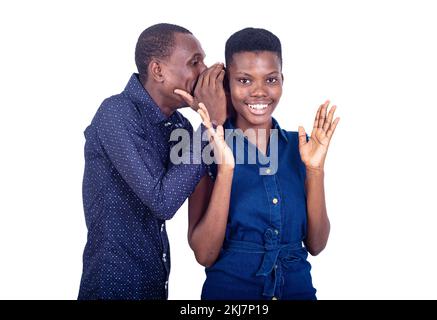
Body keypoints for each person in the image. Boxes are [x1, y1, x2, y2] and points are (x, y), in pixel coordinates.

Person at [188, 27, 340, 300]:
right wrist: (226, 171)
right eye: (244, 81)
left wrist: (315, 170)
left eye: (270, 80)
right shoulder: (206, 148)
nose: (259, 92)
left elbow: (317, 245)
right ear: (228, 84)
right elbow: (204, 254)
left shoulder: (301, 146)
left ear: (282, 80)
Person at [78, 23, 226, 300]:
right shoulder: (116, 113)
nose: (203, 70)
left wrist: (215, 112)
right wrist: (211, 121)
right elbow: (163, 200)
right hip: (111, 289)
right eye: (195, 62)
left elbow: (215, 171)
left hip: (155, 288)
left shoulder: (178, 125)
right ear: (158, 70)